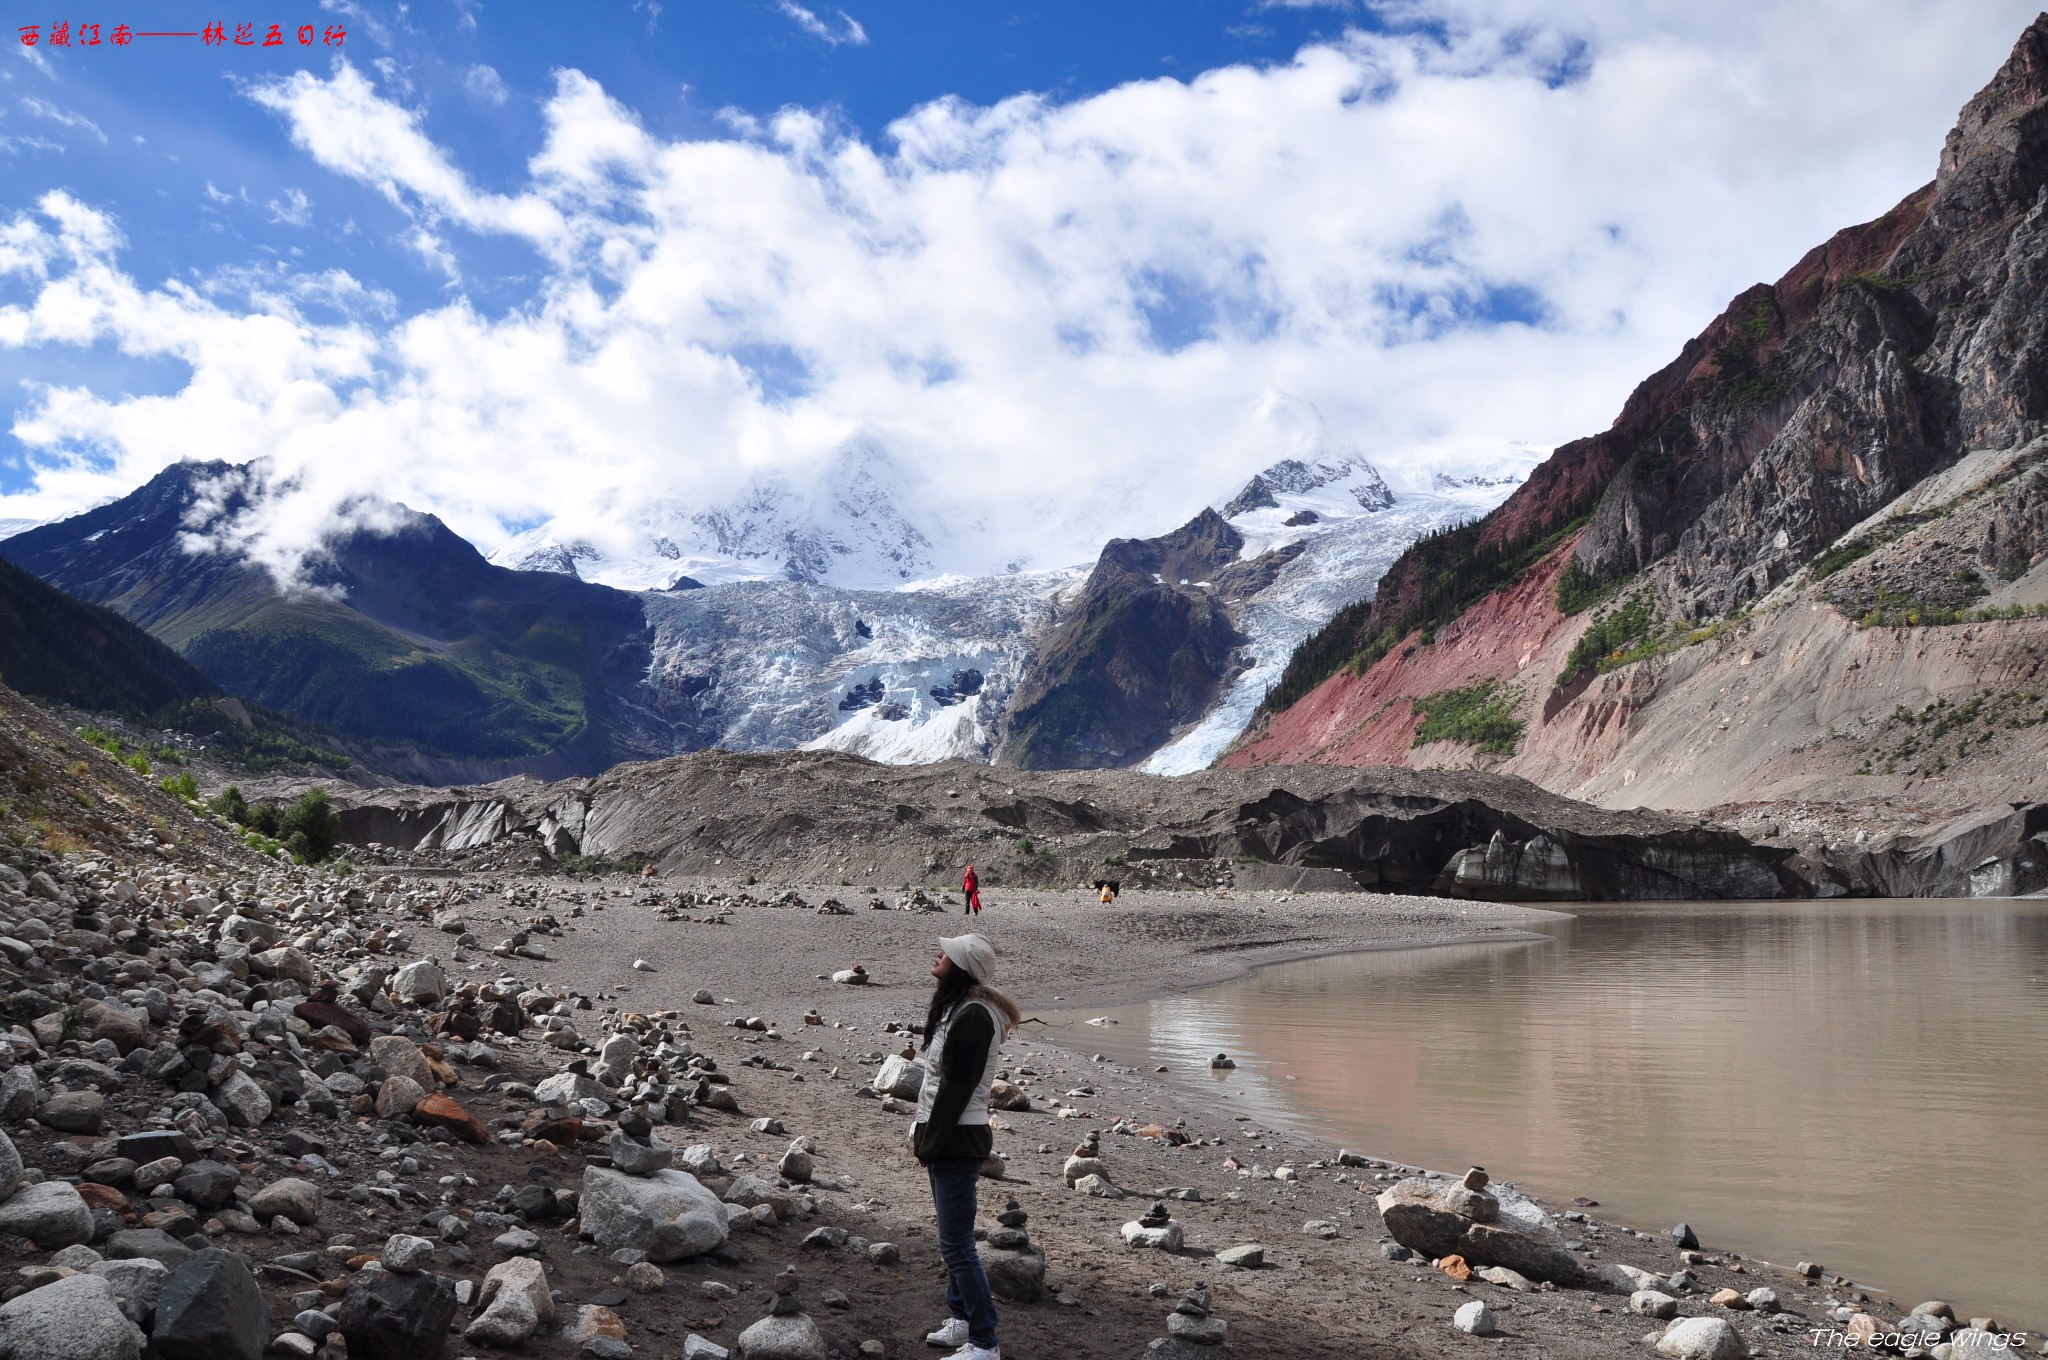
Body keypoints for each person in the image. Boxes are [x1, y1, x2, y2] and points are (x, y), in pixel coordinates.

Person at [913, 934, 1020, 1360]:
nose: (938, 953)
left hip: (957, 1137)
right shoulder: (962, 1007)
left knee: (955, 1243)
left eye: (947, 952)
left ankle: (984, 1341)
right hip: (951, 1136)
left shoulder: (974, 1015)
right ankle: (960, 1321)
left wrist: (930, 1141)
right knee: (954, 1238)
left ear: (962, 965)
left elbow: (957, 1088)